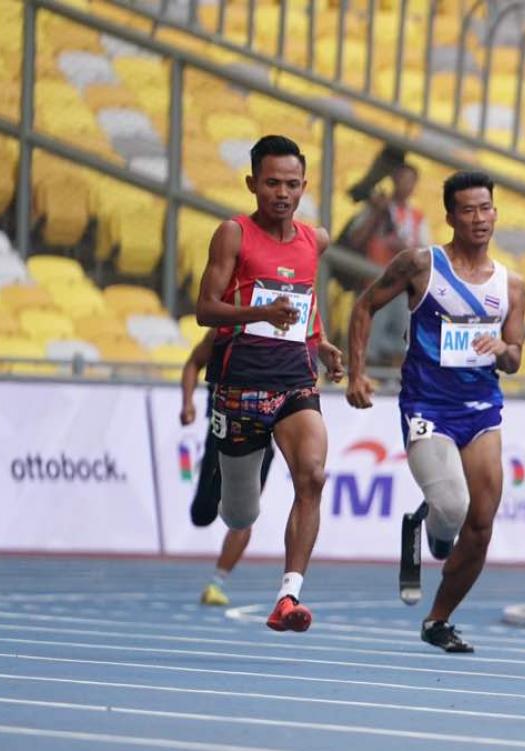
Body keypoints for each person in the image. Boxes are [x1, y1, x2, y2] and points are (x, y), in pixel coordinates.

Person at [346, 170, 525, 654]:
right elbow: (364, 307)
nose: (479, 218)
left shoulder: (511, 285)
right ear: (450, 216)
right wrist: (358, 374)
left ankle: (438, 620)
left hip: (482, 409)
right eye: (467, 210)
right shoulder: (420, 266)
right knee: (453, 508)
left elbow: (515, 360)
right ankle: (428, 521)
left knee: (481, 526)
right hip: (427, 406)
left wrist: (501, 347)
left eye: (485, 208)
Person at [195, 134, 345, 633]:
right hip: (239, 384)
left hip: (293, 380)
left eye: (293, 184)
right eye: (272, 183)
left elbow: (304, 297)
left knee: (313, 475)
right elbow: (204, 310)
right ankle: (218, 489)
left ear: (305, 186)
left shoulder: (314, 240)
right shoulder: (233, 235)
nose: (283, 193)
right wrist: (260, 311)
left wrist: (320, 342)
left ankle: (287, 597)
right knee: (240, 512)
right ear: (252, 184)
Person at [179, 329, 276, 606]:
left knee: (244, 517)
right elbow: (192, 364)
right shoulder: (224, 332)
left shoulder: (279, 341)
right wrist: (187, 404)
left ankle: (215, 584)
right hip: (221, 434)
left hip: (261, 438)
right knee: (202, 515)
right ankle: (223, 498)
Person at [341, 162, 432, 368]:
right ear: (393, 179)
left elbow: (426, 254)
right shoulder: (376, 207)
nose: (405, 184)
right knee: (368, 350)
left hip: (404, 290)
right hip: (373, 285)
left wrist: (407, 249)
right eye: (402, 178)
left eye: (410, 180)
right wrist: (377, 213)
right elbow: (355, 239)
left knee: (400, 351)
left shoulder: (417, 216)